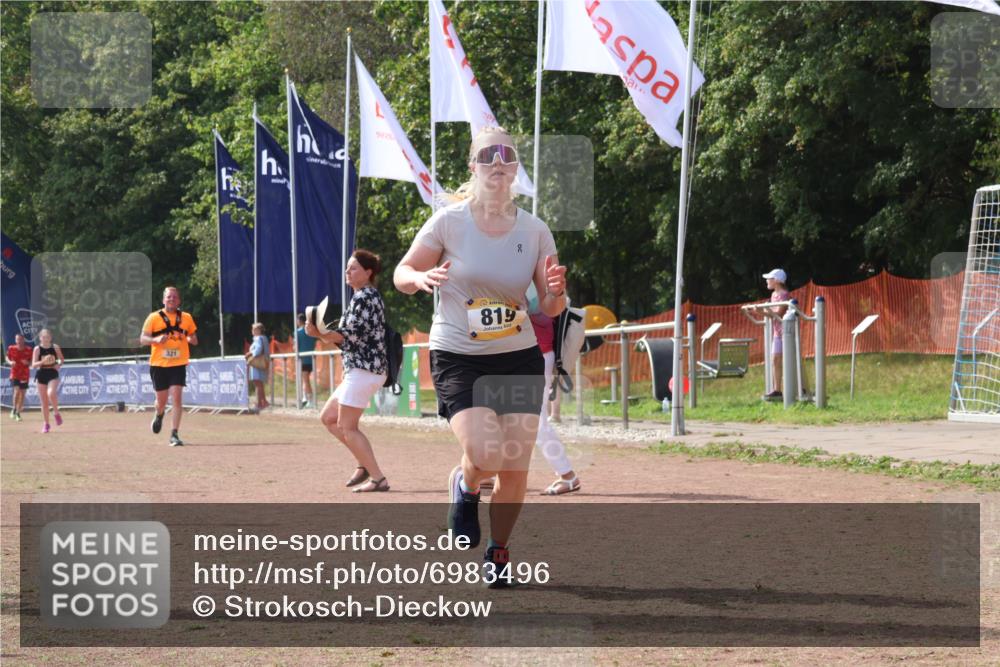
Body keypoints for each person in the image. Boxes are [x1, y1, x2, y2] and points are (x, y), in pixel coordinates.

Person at [394, 126, 567, 586]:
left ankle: (499, 550)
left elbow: (549, 307)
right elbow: (401, 270)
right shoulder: (449, 222)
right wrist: (420, 279)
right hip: (459, 354)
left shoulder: (535, 230)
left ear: (515, 169)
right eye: (487, 155)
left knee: (515, 462)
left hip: (517, 355)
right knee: (487, 454)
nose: (497, 162)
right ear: (473, 166)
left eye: (506, 155)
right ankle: (466, 486)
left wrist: (555, 295)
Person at [306, 249, 390, 493]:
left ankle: (378, 478)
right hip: (360, 368)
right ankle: (364, 463)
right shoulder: (360, 296)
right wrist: (320, 334)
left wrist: (319, 333)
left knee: (346, 425)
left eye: (353, 268)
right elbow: (344, 339)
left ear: (368, 272)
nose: (347, 271)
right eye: (347, 268)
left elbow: (346, 335)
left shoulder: (365, 297)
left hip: (365, 368)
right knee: (329, 418)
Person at [530, 308, 581, 496]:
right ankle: (491, 471)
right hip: (522, 354)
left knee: (534, 420)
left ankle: (567, 475)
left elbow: (544, 315)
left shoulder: (534, 281)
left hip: (535, 354)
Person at [140, 286, 198, 446]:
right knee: (161, 402)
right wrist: (155, 340)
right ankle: (159, 414)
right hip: (159, 364)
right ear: (163, 300)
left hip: (178, 364)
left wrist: (191, 339)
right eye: (168, 297)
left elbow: (193, 336)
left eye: (174, 297)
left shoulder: (186, 317)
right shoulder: (153, 317)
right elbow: (142, 339)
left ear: (179, 300)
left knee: (177, 398)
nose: (171, 299)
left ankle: (174, 434)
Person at [762, 268, 790, 399]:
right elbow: (773, 314)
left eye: (769, 278)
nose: (767, 281)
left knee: (789, 360)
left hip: (786, 332)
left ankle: (796, 387)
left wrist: (762, 311)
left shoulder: (784, 294)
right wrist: (762, 311)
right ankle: (777, 390)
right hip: (777, 333)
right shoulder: (773, 295)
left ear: (777, 281)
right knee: (775, 359)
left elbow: (778, 313)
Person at [31, 329, 64, 433]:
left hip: (52, 373)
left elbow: (61, 359)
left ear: (50, 337)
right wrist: (43, 361)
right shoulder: (37, 349)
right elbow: (33, 364)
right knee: (44, 402)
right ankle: (46, 424)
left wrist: (57, 364)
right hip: (41, 374)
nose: (45, 339)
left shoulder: (55, 347)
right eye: (43, 337)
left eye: (47, 337)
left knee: (51, 393)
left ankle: (56, 413)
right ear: (40, 338)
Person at [6, 333, 32, 421]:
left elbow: (32, 362)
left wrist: (27, 363)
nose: (19, 341)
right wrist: (10, 362)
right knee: (17, 391)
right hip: (15, 373)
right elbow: (7, 357)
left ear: (23, 340)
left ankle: (18, 413)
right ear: (15, 340)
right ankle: (14, 408)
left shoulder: (29, 350)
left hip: (25, 374)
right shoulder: (11, 348)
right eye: (17, 339)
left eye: (20, 339)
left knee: (22, 394)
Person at [245, 322, 270, 412]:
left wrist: (250, 353)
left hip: (257, 363)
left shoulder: (258, 338)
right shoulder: (264, 338)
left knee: (257, 383)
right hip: (262, 362)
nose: (252, 331)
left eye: (254, 329)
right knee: (259, 383)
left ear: (259, 330)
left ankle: (259, 403)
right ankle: (264, 401)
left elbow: (258, 350)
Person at [296, 313, 317, 408]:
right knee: (306, 379)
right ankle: (305, 397)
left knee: (305, 380)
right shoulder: (311, 331)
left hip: (302, 359)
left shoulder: (298, 332)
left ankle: (310, 400)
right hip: (311, 358)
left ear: (299, 321)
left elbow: (295, 346)